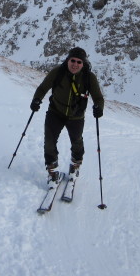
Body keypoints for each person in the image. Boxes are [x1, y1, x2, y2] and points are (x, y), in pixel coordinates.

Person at [30, 47, 104, 183]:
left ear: (83, 63)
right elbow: (43, 88)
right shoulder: (58, 72)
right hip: (55, 112)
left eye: (79, 62)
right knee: (49, 143)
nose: (75, 64)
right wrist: (36, 99)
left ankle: (75, 166)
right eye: (73, 60)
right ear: (68, 60)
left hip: (76, 116)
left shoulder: (89, 77)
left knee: (77, 142)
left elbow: (98, 97)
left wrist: (99, 108)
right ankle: (52, 172)